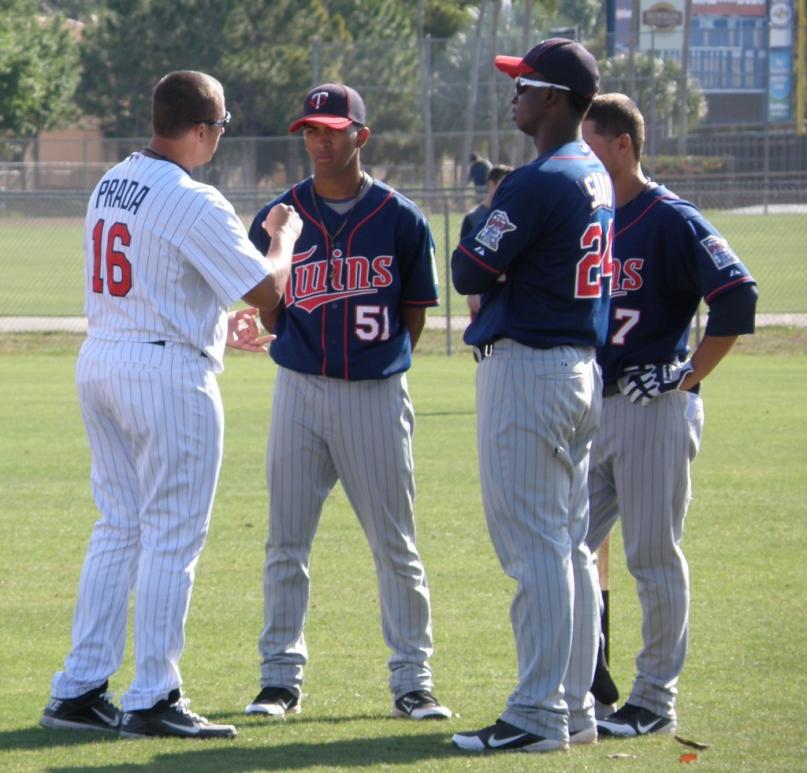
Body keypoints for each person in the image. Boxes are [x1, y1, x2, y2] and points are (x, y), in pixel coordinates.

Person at [39, 70, 302, 740]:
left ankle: (78, 687)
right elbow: (266, 293)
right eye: (219, 126)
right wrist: (284, 239)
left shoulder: (111, 180)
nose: (218, 137)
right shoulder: (193, 198)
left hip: (104, 355)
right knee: (170, 535)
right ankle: (153, 694)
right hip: (163, 370)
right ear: (203, 127)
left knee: (118, 526)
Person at [243, 83, 451, 722]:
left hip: (374, 396)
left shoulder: (401, 217)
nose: (319, 140)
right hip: (299, 390)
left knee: (396, 545)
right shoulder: (280, 215)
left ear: (360, 135)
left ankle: (413, 680)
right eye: (309, 129)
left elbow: (413, 316)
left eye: (332, 129)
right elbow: (267, 305)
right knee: (286, 543)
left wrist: (378, 368)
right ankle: (279, 679)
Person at [450, 39, 614, 753]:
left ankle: (538, 712)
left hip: (531, 367)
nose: (513, 95)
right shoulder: (591, 171)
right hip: (577, 365)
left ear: (553, 98)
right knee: (567, 545)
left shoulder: (537, 180)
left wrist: (485, 212)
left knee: (536, 549)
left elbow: (466, 269)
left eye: (523, 85)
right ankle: (571, 705)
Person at [577, 93, 758, 738]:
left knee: (651, 556)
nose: (582, 157)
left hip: (654, 409)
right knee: (565, 548)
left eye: (591, 144)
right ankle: (579, 690)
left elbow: (737, 296)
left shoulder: (670, 217)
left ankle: (655, 700)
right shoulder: (588, 215)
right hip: (591, 407)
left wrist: (687, 374)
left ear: (623, 145)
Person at [459, 164, 513, 321]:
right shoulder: (474, 217)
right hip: (482, 292)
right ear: (491, 185)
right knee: (484, 343)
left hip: (507, 295)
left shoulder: (512, 215)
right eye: (504, 185)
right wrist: (472, 292)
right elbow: (465, 260)